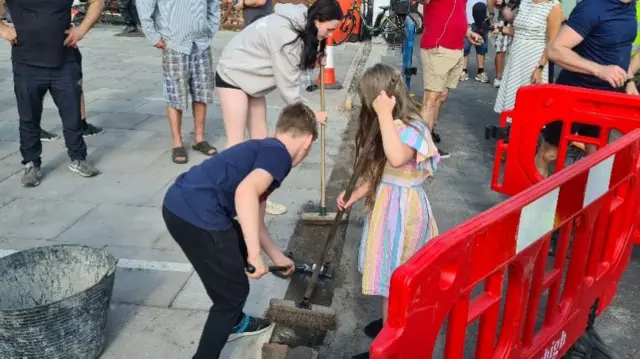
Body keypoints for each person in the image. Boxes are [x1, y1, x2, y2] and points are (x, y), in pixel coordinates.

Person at [162, 102, 318, 359]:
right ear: (308, 141)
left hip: (176, 205)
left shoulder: (266, 149)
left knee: (237, 243)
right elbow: (245, 193)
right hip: (200, 216)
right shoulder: (280, 157)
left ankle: (232, 320)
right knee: (233, 295)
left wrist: (275, 256)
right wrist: (256, 256)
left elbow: (254, 212)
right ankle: (220, 331)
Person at [334, 64, 440, 359]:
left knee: (396, 276)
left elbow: (395, 157)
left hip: (403, 211)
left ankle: (391, 346)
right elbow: (380, 173)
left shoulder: (411, 126)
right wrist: (353, 194)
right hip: (389, 207)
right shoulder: (391, 124)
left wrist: (382, 115)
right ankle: (390, 325)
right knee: (389, 271)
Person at [215, 0, 340, 215]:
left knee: (261, 141)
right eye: (329, 29)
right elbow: (288, 88)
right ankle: (223, 198)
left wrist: (314, 58)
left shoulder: (303, 23)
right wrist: (311, 115)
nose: (329, 35)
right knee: (236, 144)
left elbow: (295, 61)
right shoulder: (286, 33)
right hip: (233, 74)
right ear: (317, 20)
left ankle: (257, 195)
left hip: (253, 79)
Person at [0, 0, 103, 187]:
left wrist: (82, 29)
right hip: (26, 62)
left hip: (64, 60)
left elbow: (97, 1)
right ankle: (31, 164)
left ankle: (78, 158)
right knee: (29, 118)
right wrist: (3, 28)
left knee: (72, 115)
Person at [535, 0, 638, 177]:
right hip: (575, 93)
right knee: (549, 154)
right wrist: (599, 70)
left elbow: (621, 49)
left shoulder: (630, 8)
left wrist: (629, 81)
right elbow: (555, 50)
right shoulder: (592, 7)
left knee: (597, 155)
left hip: (604, 98)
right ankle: (531, 200)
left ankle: (585, 203)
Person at [137, 0, 220, 165]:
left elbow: (213, 4)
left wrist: (210, 28)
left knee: (202, 91)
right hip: (174, 42)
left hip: (201, 43)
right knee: (175, 93)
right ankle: (177, 142)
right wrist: (153, 36)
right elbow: (144, 6)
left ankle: (199, 139)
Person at [420, 0, 484, 158]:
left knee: (442, 95)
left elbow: (459, 11)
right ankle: (423, 146)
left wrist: (468, 32)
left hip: (457, 48)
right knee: (431, 98)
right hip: (437, 47)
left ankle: (429, 133)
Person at [493, 0, 563, 115]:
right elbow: (521, 30)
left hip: (534, 61)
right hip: (516, 58)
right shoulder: (525, 1)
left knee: (529, 106)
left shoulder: (554, 6)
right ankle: (510, 129)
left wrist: (539, 68)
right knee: (512, 99)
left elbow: (552, 44)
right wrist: (500, 29)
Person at [462, 1, 490, 83]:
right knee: (465, 48)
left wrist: (490, 16)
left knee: (482, 48)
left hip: (482, 19)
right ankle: (463, 71)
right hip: (466, 21)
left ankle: (480, 72)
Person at [488, 0, 515, 88]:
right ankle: (498, 78)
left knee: (515, 52)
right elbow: (491, 1)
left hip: (520, 22)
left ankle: (511, 77)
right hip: (504, 22)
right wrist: (491, 14)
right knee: (501, 51)